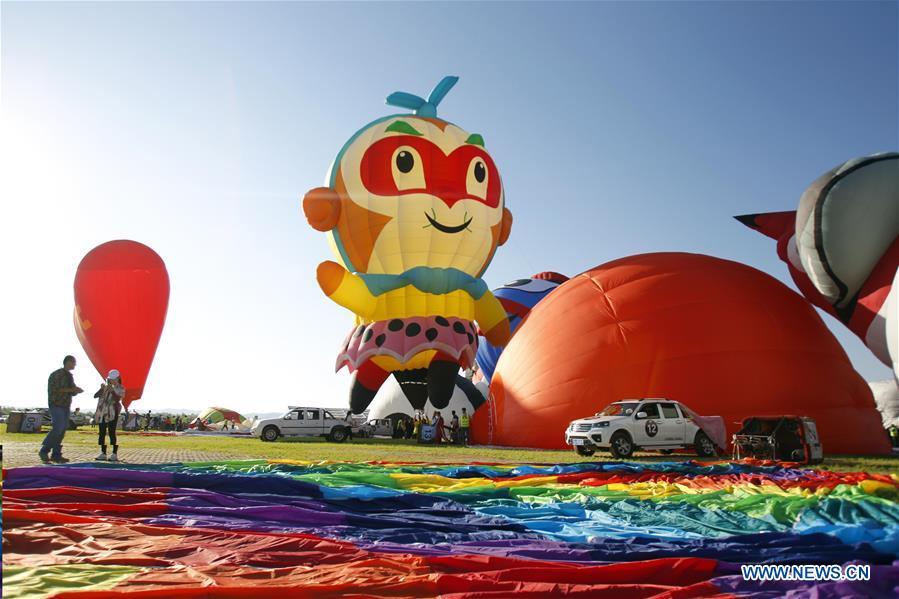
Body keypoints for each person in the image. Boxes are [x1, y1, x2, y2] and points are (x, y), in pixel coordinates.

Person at [41, 355, 83, 464]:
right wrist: (71, 390)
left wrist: (76, 390)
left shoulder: (69, 376)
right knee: (58, 428)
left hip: (65, 406)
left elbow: (71, 390)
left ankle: (56, 455)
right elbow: (55, 389)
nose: (75, 365)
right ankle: (44, 450)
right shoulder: (56, 374)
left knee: (62, 430)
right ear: (68, 362)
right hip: (56, 404)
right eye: (73, 362)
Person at [94, 369, 125, 462]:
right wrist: (101, 389)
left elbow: (118, 399)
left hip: (113, 413)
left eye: (113, 379)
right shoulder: (106, 387)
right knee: (102, 433)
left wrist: (112, 391)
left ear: (117, 378)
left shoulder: (121, 388)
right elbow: (95, 396)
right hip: (102, 413)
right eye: (110, 379)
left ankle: (114, 454)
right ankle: (103, 453)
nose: (111, 380)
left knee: (112, 432)